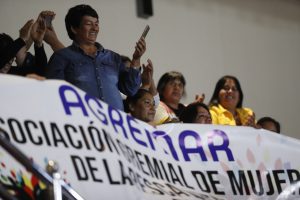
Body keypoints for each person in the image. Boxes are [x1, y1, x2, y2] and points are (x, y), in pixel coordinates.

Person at [46, 4, 146, 111]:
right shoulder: (61, 57)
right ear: (74, 29)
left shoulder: (113, 57)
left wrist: (136, 59)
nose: (94, 28)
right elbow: (54, 94)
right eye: (89, 24)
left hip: (114, 124)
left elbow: (130, 89)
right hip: (82, 123)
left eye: (96, 24)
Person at [0, 11, 64, 78]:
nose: (10, 61)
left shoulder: (13, 73)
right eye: (6, 54)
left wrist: (38, 44)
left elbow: (40, 73)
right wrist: (22, 39)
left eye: (12, 57)